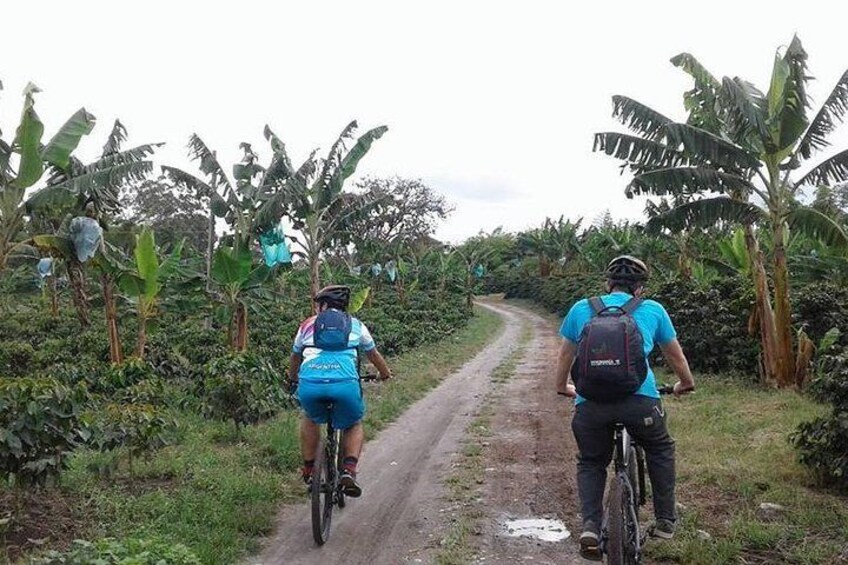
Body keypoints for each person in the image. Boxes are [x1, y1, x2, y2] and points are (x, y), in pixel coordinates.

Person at [555, 255, 695, 560]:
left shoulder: (582, 308)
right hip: (640, 403)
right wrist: (685, 383)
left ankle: (591, 526)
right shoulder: (653, 310)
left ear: (608, 284)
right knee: (659, 448)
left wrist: (562, 386)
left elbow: (565, 356)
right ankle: (666, 521)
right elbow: (675, 357)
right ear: (640, 289)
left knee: (591, 461)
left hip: (591, 407)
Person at [289, 285, 392, 497]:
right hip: (345, 384)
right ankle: (349, 470)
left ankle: (309, 469)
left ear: (323, 305)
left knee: (310, 418)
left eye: (318, 304)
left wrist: (292, 379)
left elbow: (295, 357)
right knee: (353, 423)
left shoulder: (307, 325)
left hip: (310, 384)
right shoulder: (356, 325)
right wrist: (385, 374)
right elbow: (374, 355)